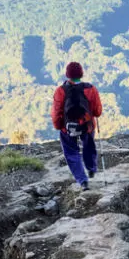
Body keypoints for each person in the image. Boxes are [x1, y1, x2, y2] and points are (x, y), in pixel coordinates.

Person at [52, 62, 103, 190]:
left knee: (71, 152)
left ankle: (82, 181)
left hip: (67, 128)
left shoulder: (60, 91)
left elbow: (56, 112)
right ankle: (91, 168)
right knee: (88, 146)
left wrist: (59, 126)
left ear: (67, 75)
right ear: (81, 74)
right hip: (87, 125)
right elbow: (97, 111)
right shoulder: (91, 89)